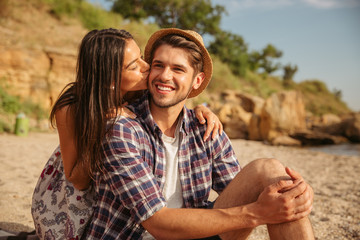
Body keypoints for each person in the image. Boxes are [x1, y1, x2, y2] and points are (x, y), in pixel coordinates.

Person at [84, 27, 315, 240]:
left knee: (271, 171)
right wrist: (257, 213)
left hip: (192, 234)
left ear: (197, 80)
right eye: (158, 65)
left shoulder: (205, 128)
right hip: (135, 235)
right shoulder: (121, 128)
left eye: (177, 69)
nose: (165, 76)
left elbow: (242, 190)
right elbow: (157, 223)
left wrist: (297, 194)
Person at [31, 28, 222, 240]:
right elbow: (77, 179)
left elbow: (174, 98)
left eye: (141, 57)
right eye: (134, 65)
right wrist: (102, 126)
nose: (146, 66)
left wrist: (200, 110)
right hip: (74, 194)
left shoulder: (136, 88)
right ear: (111, 78)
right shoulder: (72, 107)